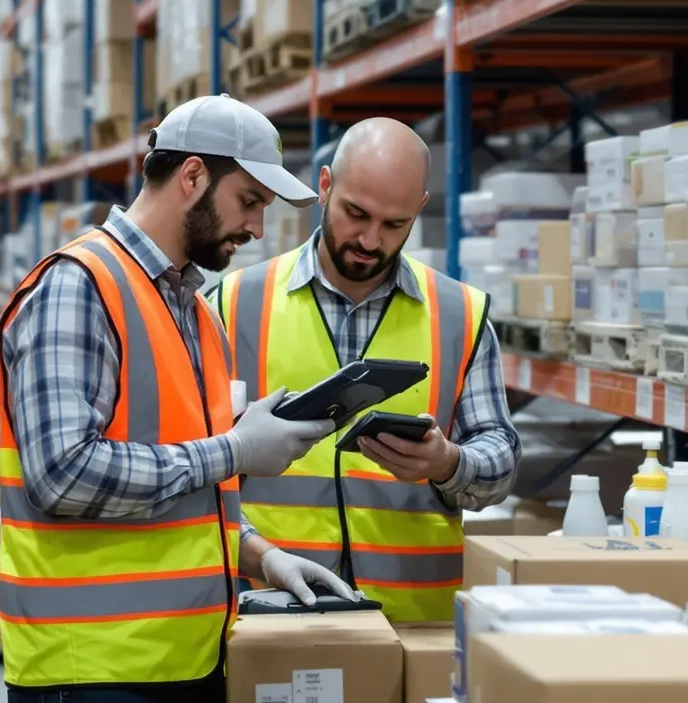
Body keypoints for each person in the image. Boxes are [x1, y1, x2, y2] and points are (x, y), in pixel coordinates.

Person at [0, 95, 351, 703]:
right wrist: (240, 450)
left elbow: (175, 481)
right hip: (94, 681)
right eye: (246, 200)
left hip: (183, 668)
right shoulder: (79, 286)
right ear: (190, 177)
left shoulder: (192, 306)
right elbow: (63, 474)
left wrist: (262, 557)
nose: (256, 225)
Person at [217, 117, 518, 619]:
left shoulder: (460, 315)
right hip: (270, 610)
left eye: (394, 224)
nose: (371, 240)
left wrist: (447, 463)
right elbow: (198, 470)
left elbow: (501, 460)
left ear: (419, 209)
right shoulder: (232, 305)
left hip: (416, 625)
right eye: (357, 213)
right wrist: (259, 553)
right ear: (325, 186)